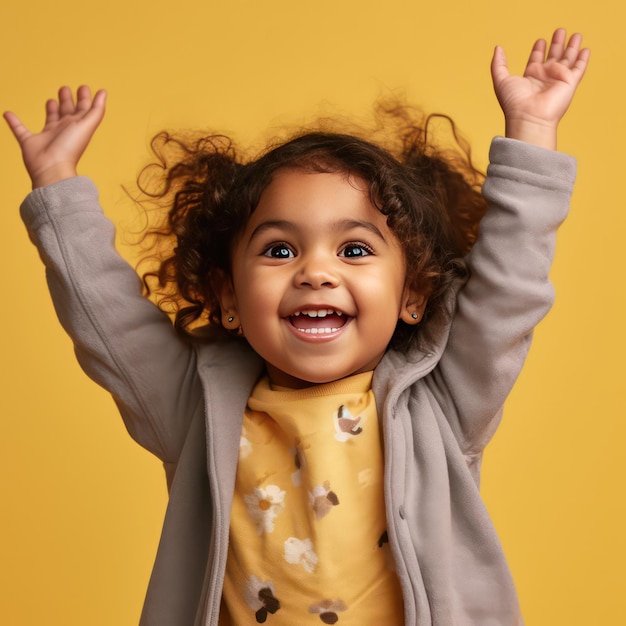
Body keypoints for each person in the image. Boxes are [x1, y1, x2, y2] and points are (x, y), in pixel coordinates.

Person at [5, 28, 589, 626]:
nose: (315, 271)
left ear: (413, 293)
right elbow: (108, 319)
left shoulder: (442, 401)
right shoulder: (195, 407)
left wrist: (534, 134)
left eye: (355, 251)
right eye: (280, 251)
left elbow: (507, 292)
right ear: (227, 295)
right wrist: (56, 181)